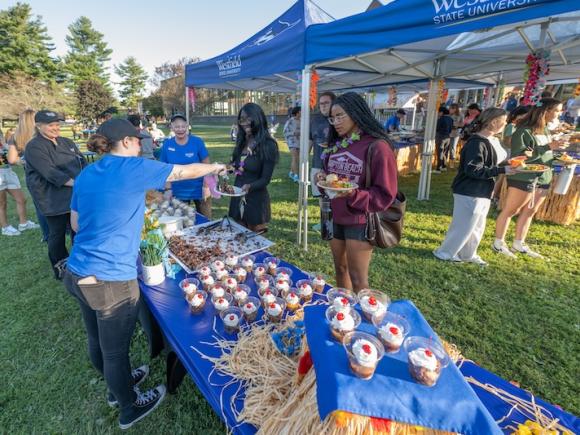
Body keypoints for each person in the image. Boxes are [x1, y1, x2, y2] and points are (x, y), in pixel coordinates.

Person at [63, 118, 225, 430]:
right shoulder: (133, 168)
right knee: (114, 352)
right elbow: (181, 172)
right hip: (110, 280)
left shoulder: (87, 173)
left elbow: (75, 225)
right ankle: (128, 406)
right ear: (125, 142)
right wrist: (214, 167)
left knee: (96, 339)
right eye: (138, 140)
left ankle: (118, 385)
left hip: (77, 271)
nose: (142, 144)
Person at [317, 92, 398, 292]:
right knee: (340, 268)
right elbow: (332, 181)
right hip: (335, 216)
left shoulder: (377, 146)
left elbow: (385, 195)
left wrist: (353, 195)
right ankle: (343, 313)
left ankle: (362, 319)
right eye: (332, 117)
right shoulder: (336, 144)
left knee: (358, 279)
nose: (335, 122)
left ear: (356, 113)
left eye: (340, 116)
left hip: (360, 220)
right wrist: (322, 180)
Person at [433, 108, 515, 266]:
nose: (505, 125)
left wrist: (508, 164)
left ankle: (468, 253)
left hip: (483, 189)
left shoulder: (492, 140)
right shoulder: (476, 143)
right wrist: (501, 169)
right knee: (463, 226)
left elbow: (493, 162)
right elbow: (473, 169)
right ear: (493, 122)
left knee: (477, 226)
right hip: (469, 189)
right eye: (503, 122)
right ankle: (445, 253)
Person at [493, 98, 563, 259]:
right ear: (546, 111)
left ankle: (519, 242)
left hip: (543, 177)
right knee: (511, 210)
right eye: (557, 110)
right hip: (524, 177)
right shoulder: (523, 131)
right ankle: (498, 242)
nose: (560, 113)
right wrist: (548, 148)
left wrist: (555, 155)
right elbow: (520, 156)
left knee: (530, 211)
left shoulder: (544, 130)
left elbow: (543, 152)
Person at [24, 110, 86, 279]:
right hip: (52, 198)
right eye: (51, 125)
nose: (56, 128)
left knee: (78, 230)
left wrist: (89, 179)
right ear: (38, 126)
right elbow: (50, 173)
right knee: (57, 234)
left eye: (58, 124)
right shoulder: (34, 146)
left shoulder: (67, 142)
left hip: (75, 196)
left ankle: (81, 264)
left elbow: (82, 162)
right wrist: (79, 183)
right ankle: (61, 268)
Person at [229, 103, 279, 232]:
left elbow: (265, 179)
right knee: (238, 241)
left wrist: (249, 186)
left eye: (248, 119)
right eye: (241, 119)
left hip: (255, 200)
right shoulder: (241, 141)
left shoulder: (268, 145)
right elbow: (237, 166)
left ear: (258, 118)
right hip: (237, 195)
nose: (244, 123)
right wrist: (228, 168)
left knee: (256, 245)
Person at [159, 114, 212, 218]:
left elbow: (207, 165)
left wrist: (206, 187)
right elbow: (165, 169)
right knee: (181, 222)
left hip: (199, 188)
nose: (180, 129)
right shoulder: (167, 144)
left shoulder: (197, 142)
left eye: (183, 126)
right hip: (178, 191)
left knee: (206, 220)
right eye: (177, 127)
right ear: (172, 127)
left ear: (187, 126)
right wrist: (168, 190)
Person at [3, 109, 43, 238]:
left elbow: (11, 157)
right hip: (46, 173)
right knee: (2, 203)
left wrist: (24, 160)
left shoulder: (16, 136)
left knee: (28, 202)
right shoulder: (38, 134)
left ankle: (25, 224)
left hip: (17, 172)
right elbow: (12, 159)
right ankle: (6, 227)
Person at [310, 91, 336, 232]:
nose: (323, 106)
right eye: (321, 103)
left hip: (335, 166)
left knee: (335, 195)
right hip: (317, 164)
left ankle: (335, 222)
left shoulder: (338, 119)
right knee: (321, 195)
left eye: (326, 103)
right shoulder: (315, 120)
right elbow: (309, 139)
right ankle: (324, 222)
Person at [283, 106, 301, 182]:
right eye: (300, 111)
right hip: (292, 142)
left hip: (299, 142)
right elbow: (285, 132)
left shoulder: (302, 121)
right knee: (294, 158)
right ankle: (296, 176)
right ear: (297, 112)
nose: (302, 113)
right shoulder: (290, 121)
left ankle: (291, 173)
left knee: (297, 159)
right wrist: (293, 133)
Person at [433, 107, 454, 173]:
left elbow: (437, 128)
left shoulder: (441, 119)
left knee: (440, 152)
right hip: (448, 137)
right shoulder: (451, 119)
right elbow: (451, 129)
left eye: (439, 112)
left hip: (440, 137)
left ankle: (438, 168)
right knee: (445, 152)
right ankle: (444, 166)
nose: (438, 114)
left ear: (441, 112)